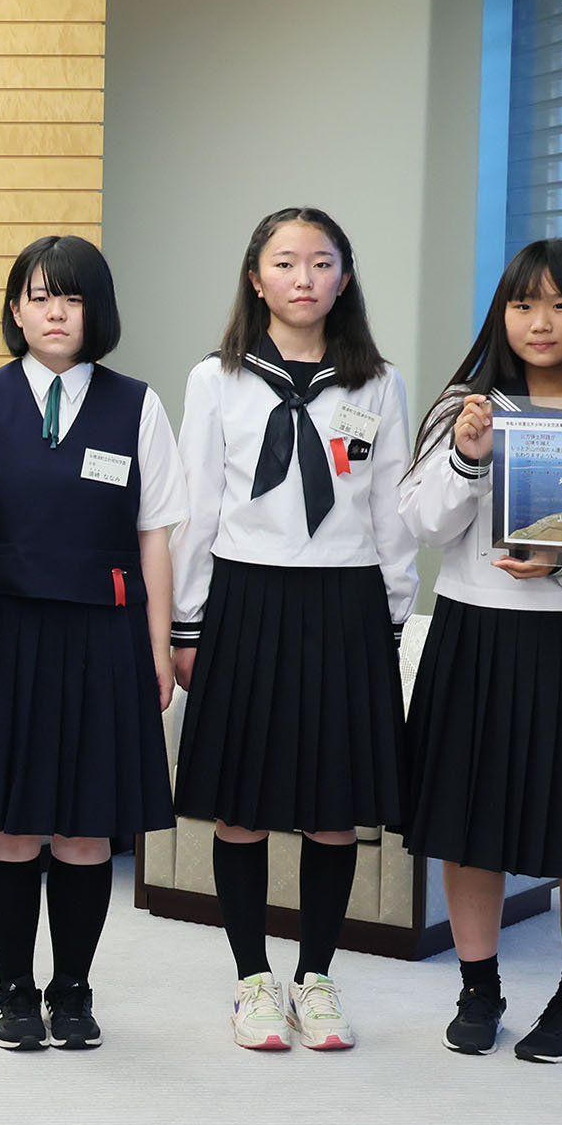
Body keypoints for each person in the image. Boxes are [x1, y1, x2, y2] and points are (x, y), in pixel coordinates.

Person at [396, 239, 562, 1062]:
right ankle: (477, 989)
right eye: (522, 305)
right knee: (466, 825)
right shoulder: (464, 407)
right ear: (501, 313)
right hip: (473, 637)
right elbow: (421, 525)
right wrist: (467, 457)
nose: (538, 322)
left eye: (558, 304)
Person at [0, 236, 184, 1052]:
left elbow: (155, 536)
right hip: (1, 636)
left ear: (94, 310)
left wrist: (157, 644)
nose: (55, 312)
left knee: (82, 829)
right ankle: (13, 990)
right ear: (15, 310)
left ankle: (72, 989)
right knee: (9, 827)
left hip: (103, 636)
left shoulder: (136, 404)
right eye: (38, 297)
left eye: (70, 297)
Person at [171, 206, 414, 1053]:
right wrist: (187, 623)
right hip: (244, 598)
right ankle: (251, 981)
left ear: (343, 278)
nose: (302, 277)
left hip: (346, 601)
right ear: (255, 277)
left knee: (332, 810)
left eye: (320, 262)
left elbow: (390, 506)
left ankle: (315, 978)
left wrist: (391, 614)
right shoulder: (216, 378)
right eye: (284, 262)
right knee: (239, 807)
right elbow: (197, 504)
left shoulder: (376, 382)